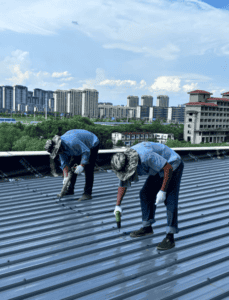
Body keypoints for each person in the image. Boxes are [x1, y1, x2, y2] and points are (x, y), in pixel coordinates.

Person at [111, 141, 184, 251]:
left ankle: (170, 236)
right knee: (145, 194)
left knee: (170, 200)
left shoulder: (146, 156)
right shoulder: (123, 160)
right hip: (157, 169)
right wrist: (118, 205)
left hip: (172, 165)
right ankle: (147, 227)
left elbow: (167, 168)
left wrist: (163, 191)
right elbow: (123, 182)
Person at [44, 129, 100, 200]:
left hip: (92, 143)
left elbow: (86, 151)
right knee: (72, 167)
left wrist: (82, 165)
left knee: (88, 168)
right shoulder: (60, 149)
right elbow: (64, 164)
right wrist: (65, 176)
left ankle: (87, 193)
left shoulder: (71, 142)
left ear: (60, 146)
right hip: (79, 146)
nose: (58, 153)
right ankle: (70, 190)